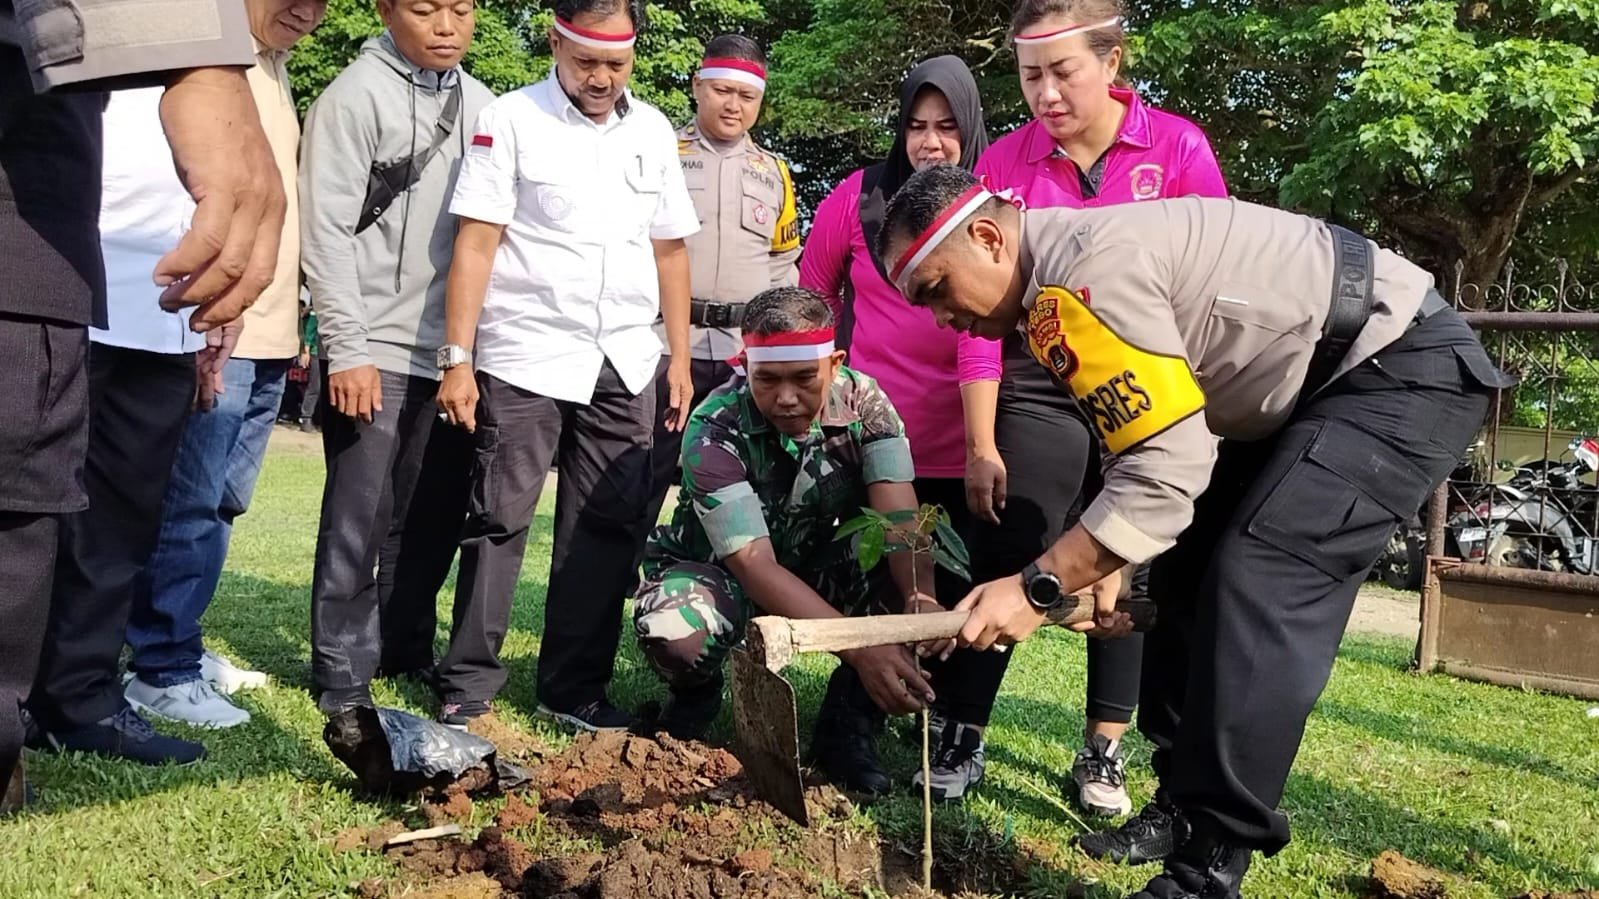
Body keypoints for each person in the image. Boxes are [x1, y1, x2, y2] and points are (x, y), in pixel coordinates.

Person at [876, 163, 1510, 899]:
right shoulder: (1048, 293)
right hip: (1304, 391)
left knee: (1260, 573)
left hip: (1398, 366)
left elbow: (1166, 469)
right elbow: (1136, 435)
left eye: (935, 290)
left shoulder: (1083, 273)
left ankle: (1206, 867)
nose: (940, 319)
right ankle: (1180, 805)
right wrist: (1110, 556)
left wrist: (1037, 587)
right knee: (1184, 571)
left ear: (987, 237)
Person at [959, 0, 1229, 819]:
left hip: (1152, 378)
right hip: (1039, 379)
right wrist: (980, 438)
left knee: (1133, 552)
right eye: (1029, 75)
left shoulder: (1177, 146)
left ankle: (1103, 746)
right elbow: (972, 309)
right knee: (1013, 543)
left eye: (1062, 71)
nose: (1044, 93)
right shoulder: (1001, 163)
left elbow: (1213, 273)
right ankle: (961, 726)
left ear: (1111, 63)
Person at [19, 0, 308, 762]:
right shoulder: (100, 18)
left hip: (167, 303)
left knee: (122, 519)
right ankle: (20, 697)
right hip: (61, 275)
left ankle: (78, 696)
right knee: (31, 510)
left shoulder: (244, 69)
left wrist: (220, 307)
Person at [436, 0, 697, 732]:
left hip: (625, 356)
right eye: (586, 62)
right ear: (555, 43)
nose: (601, 78)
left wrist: (677, 356)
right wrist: (459, 359)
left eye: (616, 64)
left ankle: (572, 688)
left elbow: (669, 248)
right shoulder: (511, 119)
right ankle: (468, 684)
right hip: (526, 353)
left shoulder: (650, 131)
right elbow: (477, 242)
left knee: (606, 526)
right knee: (498, 518)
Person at [94, 0, 327, 732]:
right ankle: (160, 666)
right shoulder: (203, 65)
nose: (306, 9)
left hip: (270, 332)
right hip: (215, 327)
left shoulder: (271, 69)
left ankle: (181, 644)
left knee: (221, 503)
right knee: (185, 507)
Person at [634, 286, 944, 754]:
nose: (785, 398)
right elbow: (754, 564)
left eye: (804, 378)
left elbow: (897, 519)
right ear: (745, 367)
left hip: (821, 566)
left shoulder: (867, 405)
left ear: (835, 364)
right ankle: (695, 694)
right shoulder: (715, 424)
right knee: (674, 627)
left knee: (917, 586)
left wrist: (920, 601)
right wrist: (860, 647)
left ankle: (850, 721)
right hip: (723, 575)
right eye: (767, 380)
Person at [798, 54, 993, 798]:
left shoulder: (984, 209)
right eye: (916, 126)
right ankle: (846, 733)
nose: (930, 143)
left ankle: (925, 731)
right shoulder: (855, 198)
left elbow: (981, 337)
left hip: (953, 442)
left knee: (940, 599)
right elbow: (812, 296)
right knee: (881, 587)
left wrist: (981, 446)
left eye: (946, 127)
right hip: (866, 436)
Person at [298, 0, 494, 717]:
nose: (446, 25)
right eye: (424, 8)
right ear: (386, 9)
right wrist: (346, 349)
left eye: (461, 9)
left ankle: (403, 647)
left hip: (449, 357)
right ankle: (342, 672)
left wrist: (465, 354)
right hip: (371, 346)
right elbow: (324, 232)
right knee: (358, 515)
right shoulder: (353, 95)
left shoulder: (484, 105)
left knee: (428, 511)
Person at [639, 33, 801, 538]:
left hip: (740, 352)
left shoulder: (774, 172)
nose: (733, 105)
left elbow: (783, 265)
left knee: (738, 475)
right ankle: (618, 582)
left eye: (746, 95)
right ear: (697, 86)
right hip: (665, 342)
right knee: (640, 472)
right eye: (721, 90)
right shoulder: (660, 153)